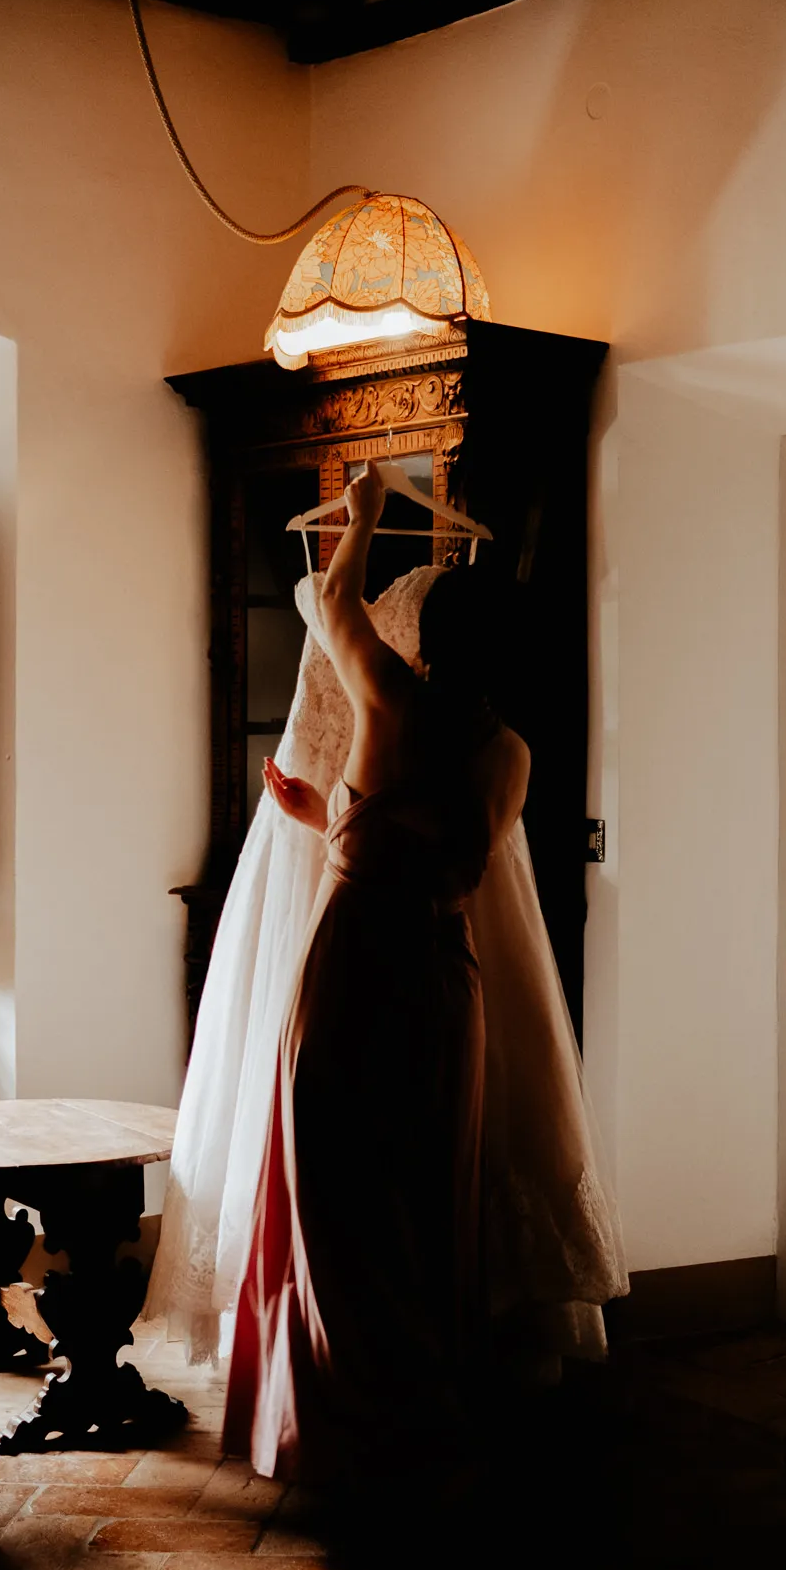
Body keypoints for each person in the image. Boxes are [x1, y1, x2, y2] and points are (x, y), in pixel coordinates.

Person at [222, 461, 529, 1492]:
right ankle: (430, 1406)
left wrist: (360, 518)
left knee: (335, 1186)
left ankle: (353, 1417)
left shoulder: (389, 692)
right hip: (445, 978)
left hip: (358, 960)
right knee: (423, 1188)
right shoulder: (511, 753)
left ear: (428, 640)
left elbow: (337, 602)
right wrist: (341, 819)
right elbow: (443, 850)